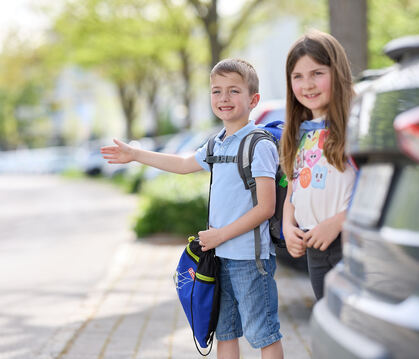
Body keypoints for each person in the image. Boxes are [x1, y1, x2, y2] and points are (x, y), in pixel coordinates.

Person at [101, 58, 284, 359]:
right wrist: (135, 154)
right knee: (224, 331)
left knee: (263, 333)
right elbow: (184, 164)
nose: (224, 98)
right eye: (216, 91)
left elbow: (265, 207)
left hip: (249, 259)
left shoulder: (257, 145)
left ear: (254, 100)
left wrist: (220, 235)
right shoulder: (218, 143)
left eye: (233, 91)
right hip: (218, 257)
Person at [280, 30, 356, 300]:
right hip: (313, 247)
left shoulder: (354, 129)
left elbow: (377, 191)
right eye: (297, 77)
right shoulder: (299, 133)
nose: (307, 84)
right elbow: (292, 190)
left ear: (337, 72)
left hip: (347, 244)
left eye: (317, 73)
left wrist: (337, 222)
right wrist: (288, 227)